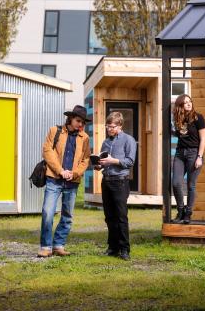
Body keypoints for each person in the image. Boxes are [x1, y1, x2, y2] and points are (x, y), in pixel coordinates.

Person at [38, 105, 91, 258]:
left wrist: (74, 173)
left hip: (72, 181)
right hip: (54, 178)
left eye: (82, 122)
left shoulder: (85, 138)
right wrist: (61, 171)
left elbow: (85, 159)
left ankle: (59, 245)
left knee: (67, 215)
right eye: (78, 121)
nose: (80, 125)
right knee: (48, 212)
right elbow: (47, 152)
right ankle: (46, 246)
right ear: (70, 119)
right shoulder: (55, 131)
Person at [95, 111, 137, 260]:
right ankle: (112, 247)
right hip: (106, 181)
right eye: (108, 127)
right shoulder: (106, 142)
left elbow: (130, 162)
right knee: (109, 216)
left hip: (120, 181)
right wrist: (98, 165)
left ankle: (124, 249)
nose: (109, 129)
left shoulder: (129, 140)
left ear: (120, 126)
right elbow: (103, 162)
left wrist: (113, 161)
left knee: (121, 217)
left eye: (112, 127)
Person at [172, 94, 205, 224]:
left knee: (191, 185)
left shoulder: (198, 118)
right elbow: (178, 134)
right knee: (176, 183)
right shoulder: (178, 119)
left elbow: (203, 139)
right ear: (180, 105)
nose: (188, 104)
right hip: (180, 154)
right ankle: (180, 209)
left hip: (194, 153)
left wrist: (199, 157)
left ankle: (188, 213)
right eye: (185, 102)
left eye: (189, 101)